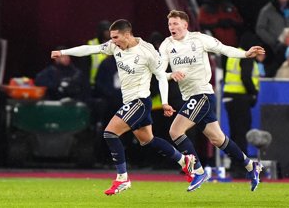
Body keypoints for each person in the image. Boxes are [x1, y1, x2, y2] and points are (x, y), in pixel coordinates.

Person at [51, 19, 195, 195]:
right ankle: (184, 160)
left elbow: (161, 77)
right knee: (147, 140)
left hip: (139, 102)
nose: (113, 41)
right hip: (130, 102)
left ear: (127, 34)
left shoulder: (146, 51)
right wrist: (63, 52)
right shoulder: (114, 46)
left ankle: (122, 179)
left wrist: (164, 102)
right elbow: (90, 49)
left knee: (110, 133)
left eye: (116, 37)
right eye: (111, 38)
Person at [159, 10, 265, 192]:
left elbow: (224, 48)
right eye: (170, 24)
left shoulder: (200, 39)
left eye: (176, 24)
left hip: (202, 94)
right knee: (218, 139)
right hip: (191, 96)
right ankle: (251, 166)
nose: (172, 27)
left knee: (175, 131)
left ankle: (199, 172)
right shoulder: (166, 45)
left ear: (185, 25)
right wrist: (169, 79)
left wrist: (245, 54)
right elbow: (160, 73)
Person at [223, 32, 260, 178]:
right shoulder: (246, 56)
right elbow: (246, 77)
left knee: (234, 133)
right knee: (241, 133)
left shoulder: (234, 55)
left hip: (229, 98)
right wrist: (253, 93)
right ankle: (241, 167)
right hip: (240, 99)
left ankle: (234, 164)